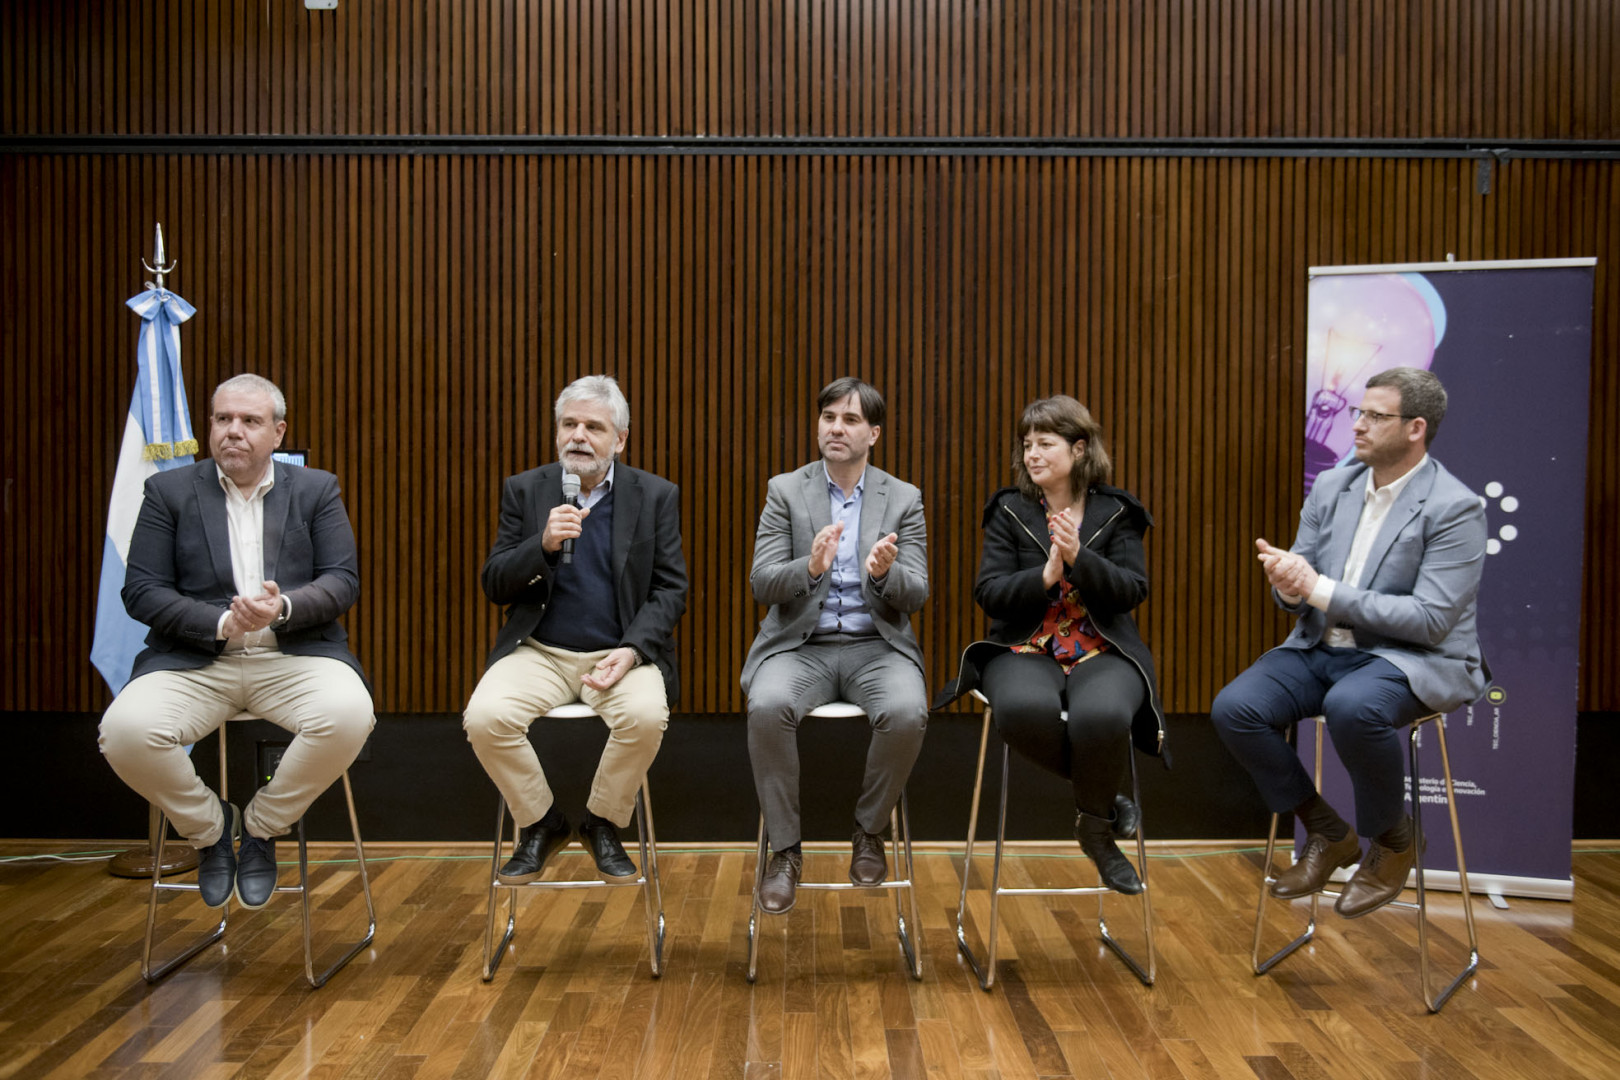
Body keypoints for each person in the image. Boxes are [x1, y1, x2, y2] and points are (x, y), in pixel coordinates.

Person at [1211, 366, 1489, 918]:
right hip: (1322, 648)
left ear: (1415, 428)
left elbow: (1431, 620)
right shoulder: (1334, 485)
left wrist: (1319, 589)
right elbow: (1303, 584)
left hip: (1411, 657)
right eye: (1359, 412)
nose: (1356, 424)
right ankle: (1327, 832)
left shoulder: (1455, 507)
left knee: (1352, 707)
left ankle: (1393, 841)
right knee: (1234, 709)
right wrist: (1290, 585)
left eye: (1374, 415)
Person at [99, 374, 375, 910]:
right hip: (195, 659)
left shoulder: (316, 489)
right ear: (210, 427)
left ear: (277, 432)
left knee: (349, 715)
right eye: (223, 419)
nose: (233, 431)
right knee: (125, 733)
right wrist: (219, 624)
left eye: (250, 421)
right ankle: (210, 829)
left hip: (294, 655)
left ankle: (262, 827)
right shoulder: (169, 491)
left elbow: (342, 581)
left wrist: (282, 608)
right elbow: (142, 590)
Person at [464, 375, 688, 884]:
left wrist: (633, 650)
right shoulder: (526, 490)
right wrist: (540, 546)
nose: (578, 437)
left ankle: (603, 822)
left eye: (593, 427)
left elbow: (671, 590)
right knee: (485, 717)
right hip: (539, 651)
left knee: (647, 716)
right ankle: (543, 822)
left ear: (620, 440)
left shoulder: (654, 495)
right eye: (569, 425)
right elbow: (495, 583)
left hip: (620, 653)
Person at [938, 395, 1166, 893]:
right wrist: (1044, 576)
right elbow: (989, 595)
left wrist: (1081, 558)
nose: (1031, 455)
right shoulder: (1010, 510)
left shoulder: (1117, 511)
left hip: (1102, 647)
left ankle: (1094, 835)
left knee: (1103, 717)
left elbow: (1133, 591)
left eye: (1045, 444)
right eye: (1027, 445)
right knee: (1019, 710)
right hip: (1026, 645)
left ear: (1079, 449)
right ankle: (1103, 807)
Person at [742, 377, 930, 914]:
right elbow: (762, 583)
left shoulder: (904, 498)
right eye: (828, 417)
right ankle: (785, 851)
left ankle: (870, 831)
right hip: (801, 646)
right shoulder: (786, 491)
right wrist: (812, 566)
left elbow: (916, 592)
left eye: (849, 420)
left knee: (907, 710)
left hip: (878, 647)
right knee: (767, 705)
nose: (836, 428)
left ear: (873, 433)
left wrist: (882, 575)